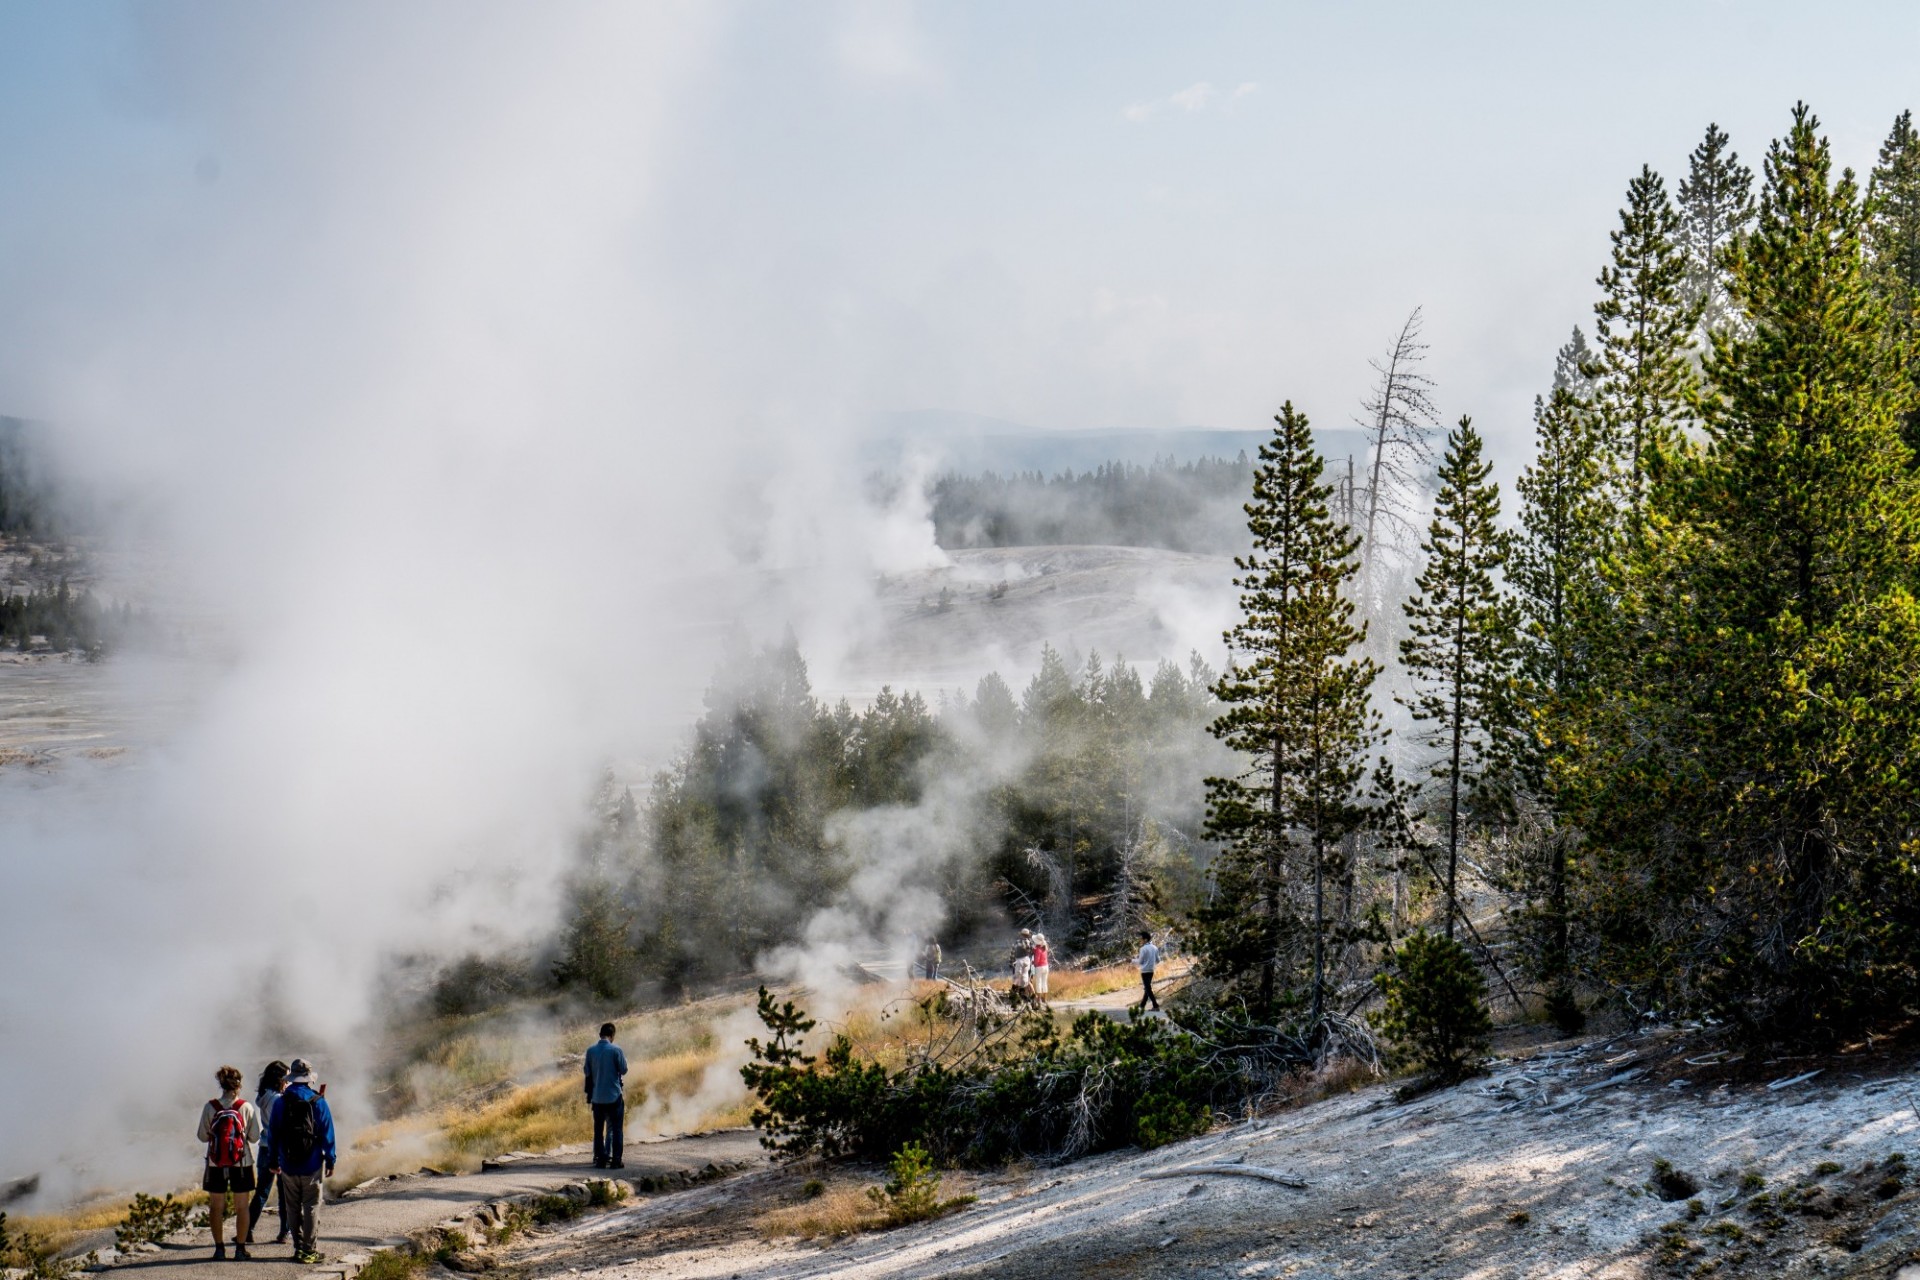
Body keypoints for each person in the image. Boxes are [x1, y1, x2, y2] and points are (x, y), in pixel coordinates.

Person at [264, 1058, 335, 1264]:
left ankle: (297, 1247)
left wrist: (273, 1160)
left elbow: (273, 1134)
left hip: (287, 1163)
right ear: (309, 1079)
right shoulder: (318, 1101)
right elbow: (327, 1134)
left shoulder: (280, 1102)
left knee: (292, 1206)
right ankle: (309, 1250)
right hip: (312, 1164)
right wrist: (330, 1160)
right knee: (311, 1205)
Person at [197, 1065, 262, 1261]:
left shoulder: (210, 1107)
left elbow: (202, 1136)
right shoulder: (246, 1107)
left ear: (221, 1084)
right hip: (241, 1164)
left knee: (216, 1207)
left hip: (216, 1164)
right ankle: (240, 1250)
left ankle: (219, 1249)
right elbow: (254, 1137)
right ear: (239, 1084)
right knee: (242, 1206)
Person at [246, 1061, 290, 1246]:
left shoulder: (264, 1096)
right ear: (279, 1079)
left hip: (264, 1146)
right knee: (284, 1193)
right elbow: (281, 1126)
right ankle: (283, 1232)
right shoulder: (278, 1100)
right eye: (286, 1077)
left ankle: (247, 1230)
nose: (289, 1081)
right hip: (279, 1148)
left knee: (261, 1192)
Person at [584, 1023, 629, 1170]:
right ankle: (616, 1161)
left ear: (600, 1035)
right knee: (616, 1129)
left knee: (598, 1130)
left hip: (597, 1098)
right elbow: (624, 1070)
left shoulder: (590, 1051)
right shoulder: (616, 1050)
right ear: (612, 1036)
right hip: (614, 1096)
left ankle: (600, 1160)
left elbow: (587, 1072)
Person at [1136, 930, 1161, 1012]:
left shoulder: (1143, 949)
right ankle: (1142, 1005)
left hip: (1144, 971)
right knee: (1147, 988)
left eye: (1141, 939)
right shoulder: (1155, 948)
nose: (1140, 940)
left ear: (1145, 939)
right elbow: (1158, 960)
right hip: (1151, 970)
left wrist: (1131, 961)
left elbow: (1140, 962)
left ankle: (1155, 1005)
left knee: (1147, 988)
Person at [1031, 933, 1051, 998]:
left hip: (1039, 967)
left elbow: (1037, 960)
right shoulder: (1045, 948)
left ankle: (1039, 998)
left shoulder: (1037, 949)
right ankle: (1044, 998)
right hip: (1046, 966)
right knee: (1044, 982)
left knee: (1038, 982)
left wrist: (1033, 963)